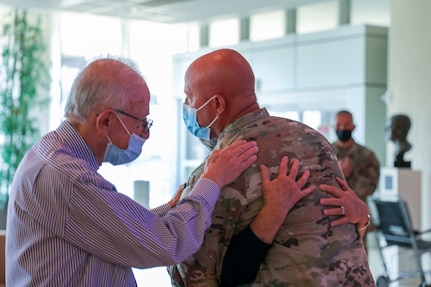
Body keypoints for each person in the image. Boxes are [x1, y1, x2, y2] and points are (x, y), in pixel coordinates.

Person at [5, 56, 310, 286]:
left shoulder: (50, 157)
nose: (145, 135)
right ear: (106, 121)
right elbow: (169, 245)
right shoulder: (70, 178)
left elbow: (105, 227)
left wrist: (170, 208)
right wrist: (212, 180)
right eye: (141, 122)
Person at [168, 49, 374, 286]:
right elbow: (340, 229)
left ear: (217, 105)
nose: (186, 106)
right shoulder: (314, 140)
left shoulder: (221, 170)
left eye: (189, 97)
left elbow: (191, 271)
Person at [332, 110, 380, 249]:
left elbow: (370, 188)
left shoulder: (366, 155)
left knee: (359, 265)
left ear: (353, 127)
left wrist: (349, 175)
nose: (342, 129)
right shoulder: (325, 152)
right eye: (338, 125)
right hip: (330, 219)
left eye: (346, 124)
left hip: (358, 220)